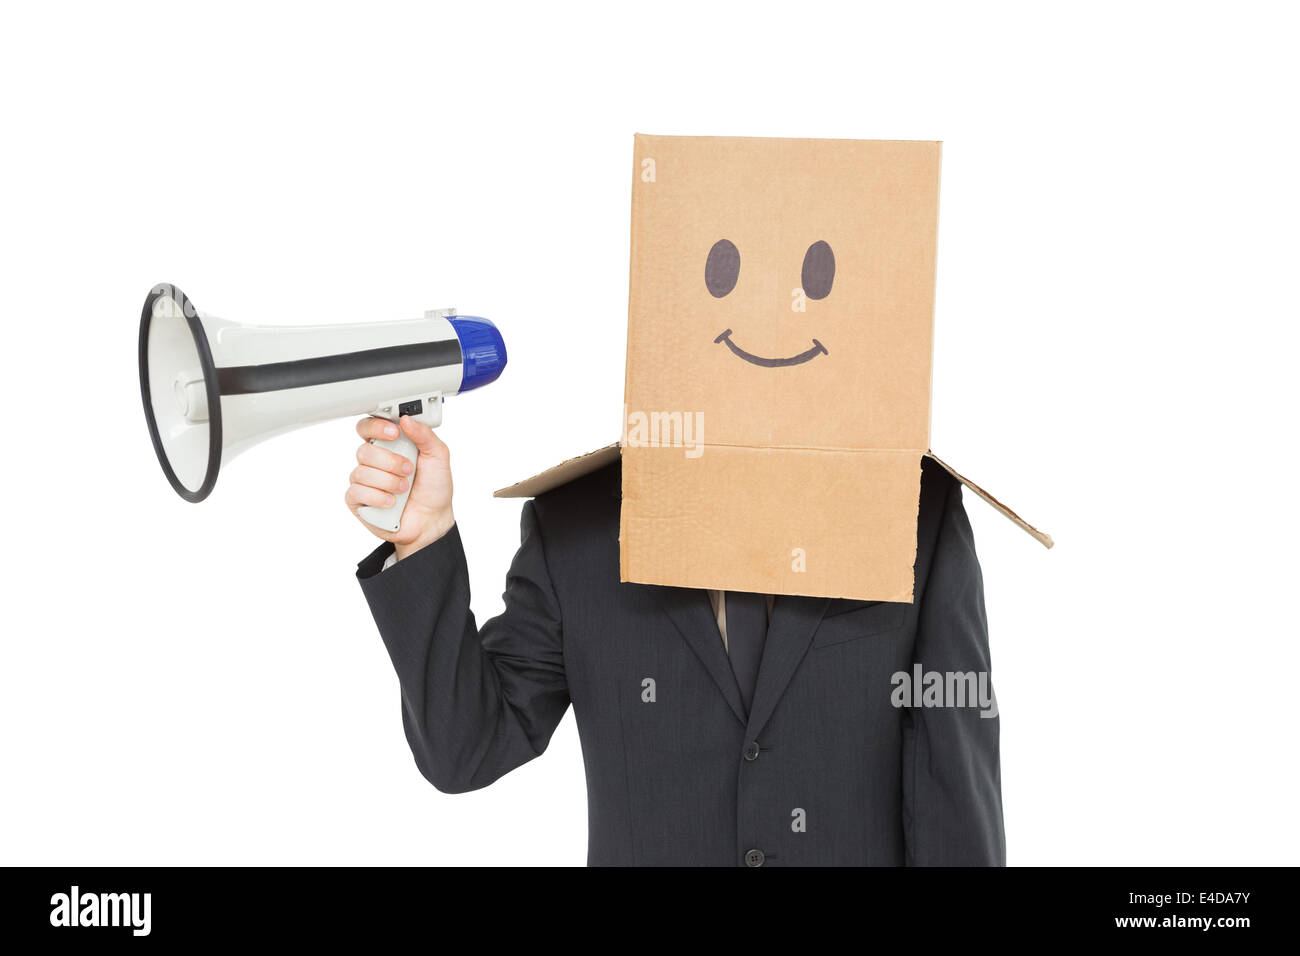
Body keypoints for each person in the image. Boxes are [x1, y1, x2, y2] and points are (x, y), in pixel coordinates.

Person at [347, 415, 1005, 867]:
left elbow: (953, 786)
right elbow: (468, 748)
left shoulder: (914, 509)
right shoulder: (578, 523)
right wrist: (424, 537)